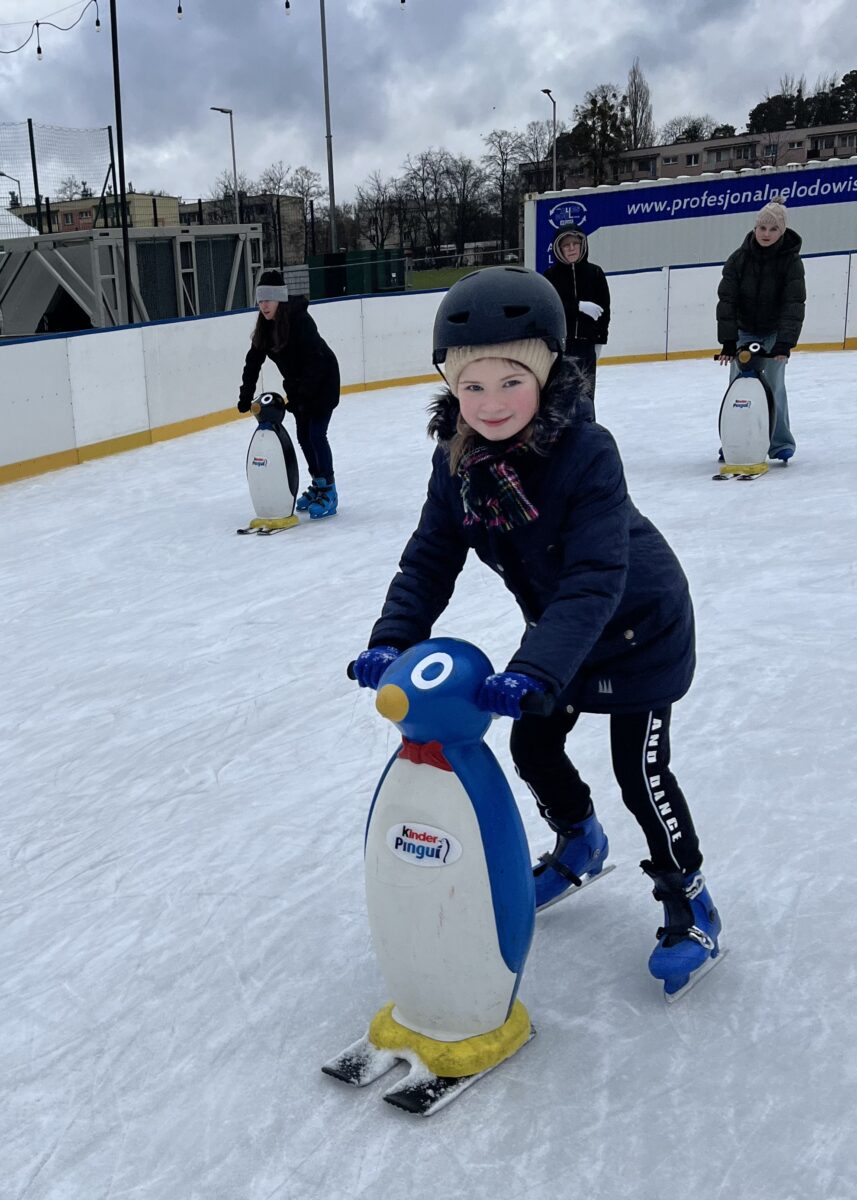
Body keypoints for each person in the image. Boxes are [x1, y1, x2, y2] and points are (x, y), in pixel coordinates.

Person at [350, 266, 721, 999]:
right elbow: (430, 557)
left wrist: (535, 670)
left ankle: (690, 902)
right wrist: (392, 639)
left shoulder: (587, 452)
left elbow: (593, 578)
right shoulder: (455, 462)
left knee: (639, 776)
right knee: (532, 743)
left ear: (546, 375)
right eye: (471, 386)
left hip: (638, 628)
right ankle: (579, 840)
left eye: (510, 381)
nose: (489, 403)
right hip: (560, 635)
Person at [237, 269, 340, 517]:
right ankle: (317, 484)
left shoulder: (300, 320)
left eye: (268, 300)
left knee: (316, 434)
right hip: (298, 386)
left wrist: (302, 395)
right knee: (303, 436)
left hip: (323, 380)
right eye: (260, 301)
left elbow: (317, 360)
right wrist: (245, 395)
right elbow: (253, 362)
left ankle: (330, 490)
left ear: (280, 299)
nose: (264, 306)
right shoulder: (264, 329)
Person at [716, 197, 806, 462]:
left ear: (782, 232)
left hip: (774, 332)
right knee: (738, 386)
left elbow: (794, 303)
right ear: (755, 228)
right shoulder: (738, 259)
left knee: (774, 387)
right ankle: (733, 441)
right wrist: (729, 342)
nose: (766, 234)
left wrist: (784, 343)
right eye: (762, 228)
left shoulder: (791, 262)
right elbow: (727, 301)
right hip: (745, 331)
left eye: (773, 229)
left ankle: (779, 444)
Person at [542, 222, 610, 417]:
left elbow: (605, 311)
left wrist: (599, 341)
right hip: (562, 348)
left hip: (586, 347)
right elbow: (550, 309)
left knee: (586, 397)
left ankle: (587, 436)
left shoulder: (595, 274)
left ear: (582, 245)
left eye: (575, 244)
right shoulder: (550, 276)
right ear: (558, 248)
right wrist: (578, 306)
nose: (571, 248)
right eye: (566, 245)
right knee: (561, 397)